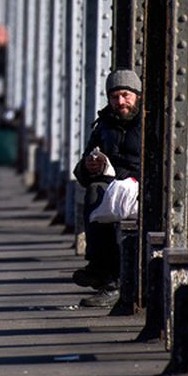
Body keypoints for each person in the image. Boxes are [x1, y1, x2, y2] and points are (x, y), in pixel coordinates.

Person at [71, 68, 143, 308]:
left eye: (126, 95)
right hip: (112, 185)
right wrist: (89, 166)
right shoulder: (103, 125)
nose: (120, 102)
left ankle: (112, 278)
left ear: (137, 95)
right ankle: (102, 271)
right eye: (114, 97)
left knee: (110, 198)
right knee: (95, 191)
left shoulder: (150, 121)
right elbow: (81, 170)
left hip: (141, 186)